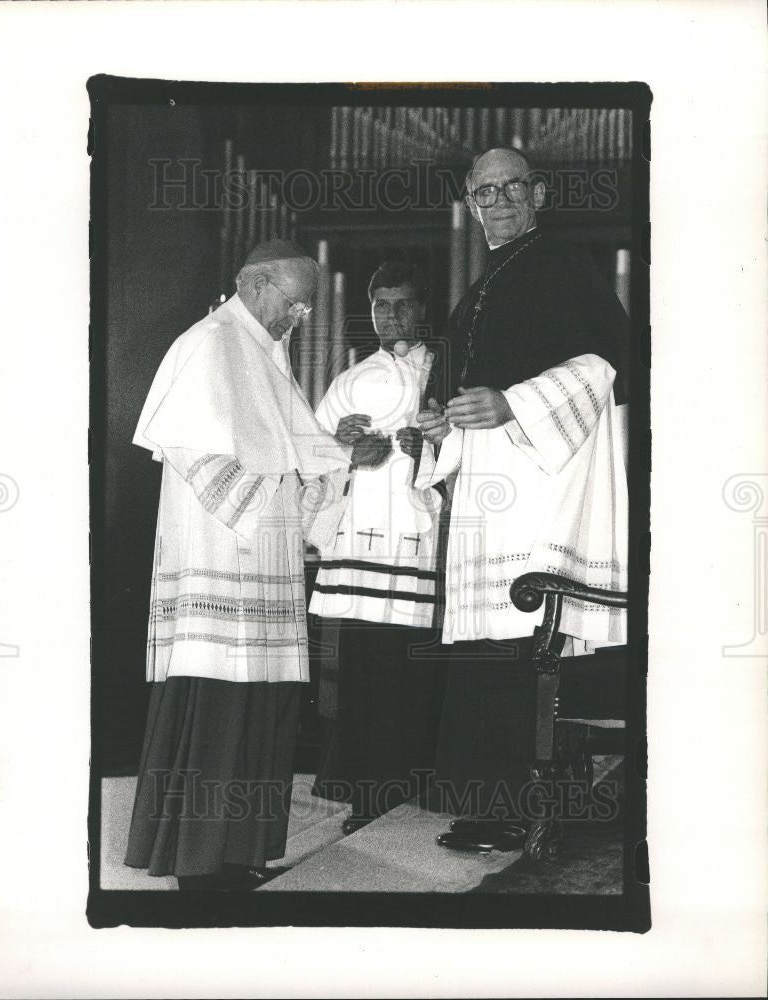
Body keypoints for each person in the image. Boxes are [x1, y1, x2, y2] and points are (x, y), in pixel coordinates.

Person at [124, 239, 378, 890]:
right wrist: (285, 493)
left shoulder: (265, 358)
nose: (299, 317)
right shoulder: (209, 345)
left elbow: (298, 450)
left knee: (262, 705)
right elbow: (201, 459)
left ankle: (238, 850)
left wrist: (338, 453)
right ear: (256, 283)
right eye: (293, 303)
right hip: (221, 557)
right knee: (218, 701)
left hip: (263, 561)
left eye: (306, 308)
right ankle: (199, 859)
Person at [416, 147, 630, 851]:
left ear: (538, 192)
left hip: (538, 486)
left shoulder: (562, 264)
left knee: (518, 642)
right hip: (488, 489)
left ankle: (515, 805)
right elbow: (456, 382)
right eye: (485, 192)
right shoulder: (482, 285)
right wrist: (438, 418)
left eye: (512, 187)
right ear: (471, 203)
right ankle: (486, 801)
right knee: (487, 646)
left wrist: (511, 402)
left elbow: (602, 365)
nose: (499, 201)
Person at [309, 260, 446, 833]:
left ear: (422, 308)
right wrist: (340, 448)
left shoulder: (444, 369)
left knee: (414, 671)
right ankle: (364, 792)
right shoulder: (351, 379)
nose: (391, 316)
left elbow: (469, 443)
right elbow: (311, 453)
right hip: (360, 545)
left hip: (418, 544)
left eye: (403, 304)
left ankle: (415, 789)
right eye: (380, 305)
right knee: (364, 672)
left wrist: (431, 446)